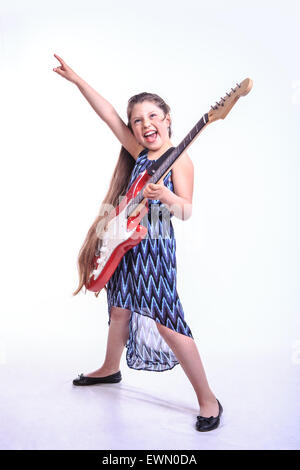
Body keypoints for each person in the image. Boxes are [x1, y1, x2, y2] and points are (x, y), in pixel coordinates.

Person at [53, 54, 223, 432]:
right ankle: (110, 369)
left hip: (155, 246)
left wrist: (166, 195)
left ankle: (208, 399)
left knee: (167, 322)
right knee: (119, 310)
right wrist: (78, 79)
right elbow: (109, 115)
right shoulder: (139, 154)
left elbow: (186, 212)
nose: (146, 124)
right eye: (138, 120)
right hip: (125, 240)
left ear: (168, 120)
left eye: (153, 117)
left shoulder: (180, 161)